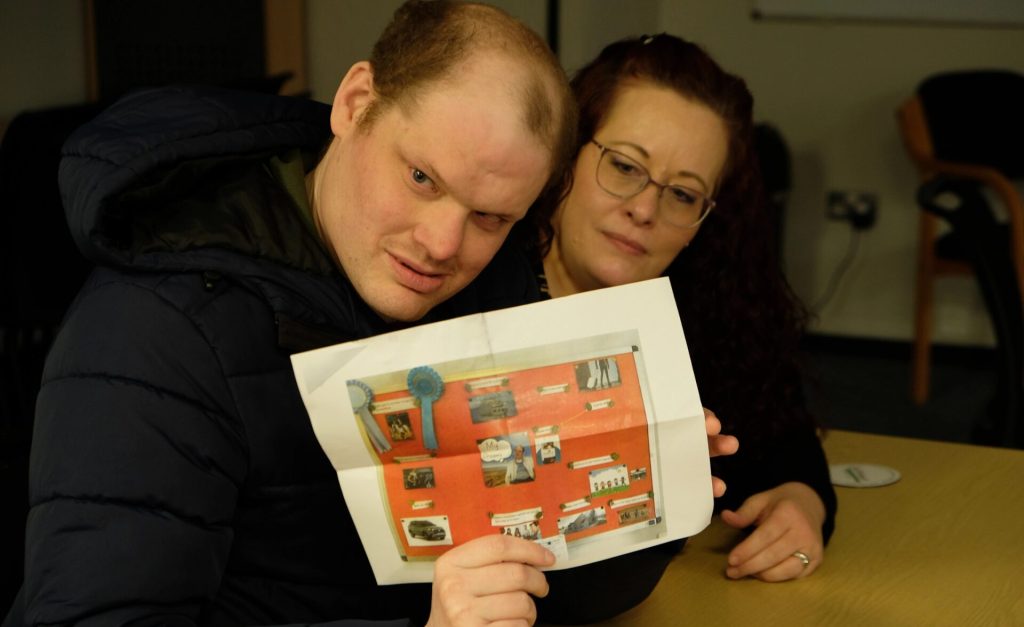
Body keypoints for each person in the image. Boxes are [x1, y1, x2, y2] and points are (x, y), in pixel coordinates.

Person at [5, 2, 577, 626]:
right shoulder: (153, 330)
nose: (443, 244)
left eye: (490, 217)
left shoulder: (493, 286)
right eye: (421, 178)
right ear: (355, 103)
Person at [532, 33, 837, 586]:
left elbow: (786, 442)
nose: (645, 209)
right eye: (625, 166)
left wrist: (802, 503)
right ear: (565, 152)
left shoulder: (706, 308)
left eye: (682, 194)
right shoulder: (470, 280)